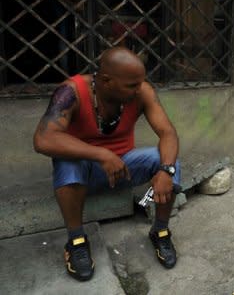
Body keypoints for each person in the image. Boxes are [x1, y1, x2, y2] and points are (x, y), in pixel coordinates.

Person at [33, 47, 181, 281]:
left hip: (123, 168)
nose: (138, 89)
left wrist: (166, 171)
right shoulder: (72, 91)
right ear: (105, 81)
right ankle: (77, 241)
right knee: (67, 162)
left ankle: (160, 231)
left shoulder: (141, 91)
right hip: (85, 170)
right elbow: (43, 139)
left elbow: (168, 133)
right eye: (131, 85)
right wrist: (101, 154)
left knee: (167, 159)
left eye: (140, 82)